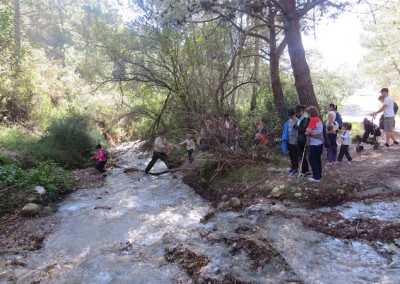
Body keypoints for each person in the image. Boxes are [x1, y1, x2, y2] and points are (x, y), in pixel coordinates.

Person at [305, 106, 324, 182]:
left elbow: (308, 130)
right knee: (317, 159)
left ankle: (316, 177)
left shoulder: (313, 120)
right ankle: (319, 175)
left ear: (310, 112)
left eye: (307, 112)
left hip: (315, 143)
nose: (307, 114)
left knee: (312, 159)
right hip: (320, 143)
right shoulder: (318, 119)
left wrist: (307, 130)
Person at [293, 104, 310, 177]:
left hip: (302, 139)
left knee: (302, 155)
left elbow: (303, 129)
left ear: (301, 111)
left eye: (297, 112)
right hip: (300, 138)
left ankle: (303, 172)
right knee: (302, 155)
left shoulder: (305, 118)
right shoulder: (302, 118)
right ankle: (305, 171)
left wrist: (295, 126)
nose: (297, 114)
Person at [287, 109, 299, 175]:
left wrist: (297, 141)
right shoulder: (289, 121)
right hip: (289, 140)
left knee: (295, 155)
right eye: (290, 116)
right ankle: (292, 166)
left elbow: (298, 131)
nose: (291, 117)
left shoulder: (297, 121)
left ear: (294, 114)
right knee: (291, 154)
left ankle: (295, 168)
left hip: (295, 140)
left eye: (292, 115)